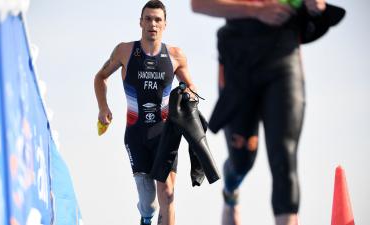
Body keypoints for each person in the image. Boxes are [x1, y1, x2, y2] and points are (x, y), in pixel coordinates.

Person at [191, 0, 328, 225]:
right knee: (242, 161)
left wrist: (317, 7)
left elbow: (317, 8)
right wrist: (257, 10)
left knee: (284, 157)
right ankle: (231, 191)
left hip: (284, 55)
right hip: (239, 60)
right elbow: (198, 4)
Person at [94, 1, 197, 225]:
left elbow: (192, 89)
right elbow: (100, 77)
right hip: (136, 133)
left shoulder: (176, 55)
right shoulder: (125, 51)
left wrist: (187, 96)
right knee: (149, 201)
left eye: (157, 19)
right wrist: (103, 107)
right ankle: (146, 218)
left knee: (168, 193)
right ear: (140, 22)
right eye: (148, 18)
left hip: (165, 133)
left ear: (165, 24)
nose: (153, 23)